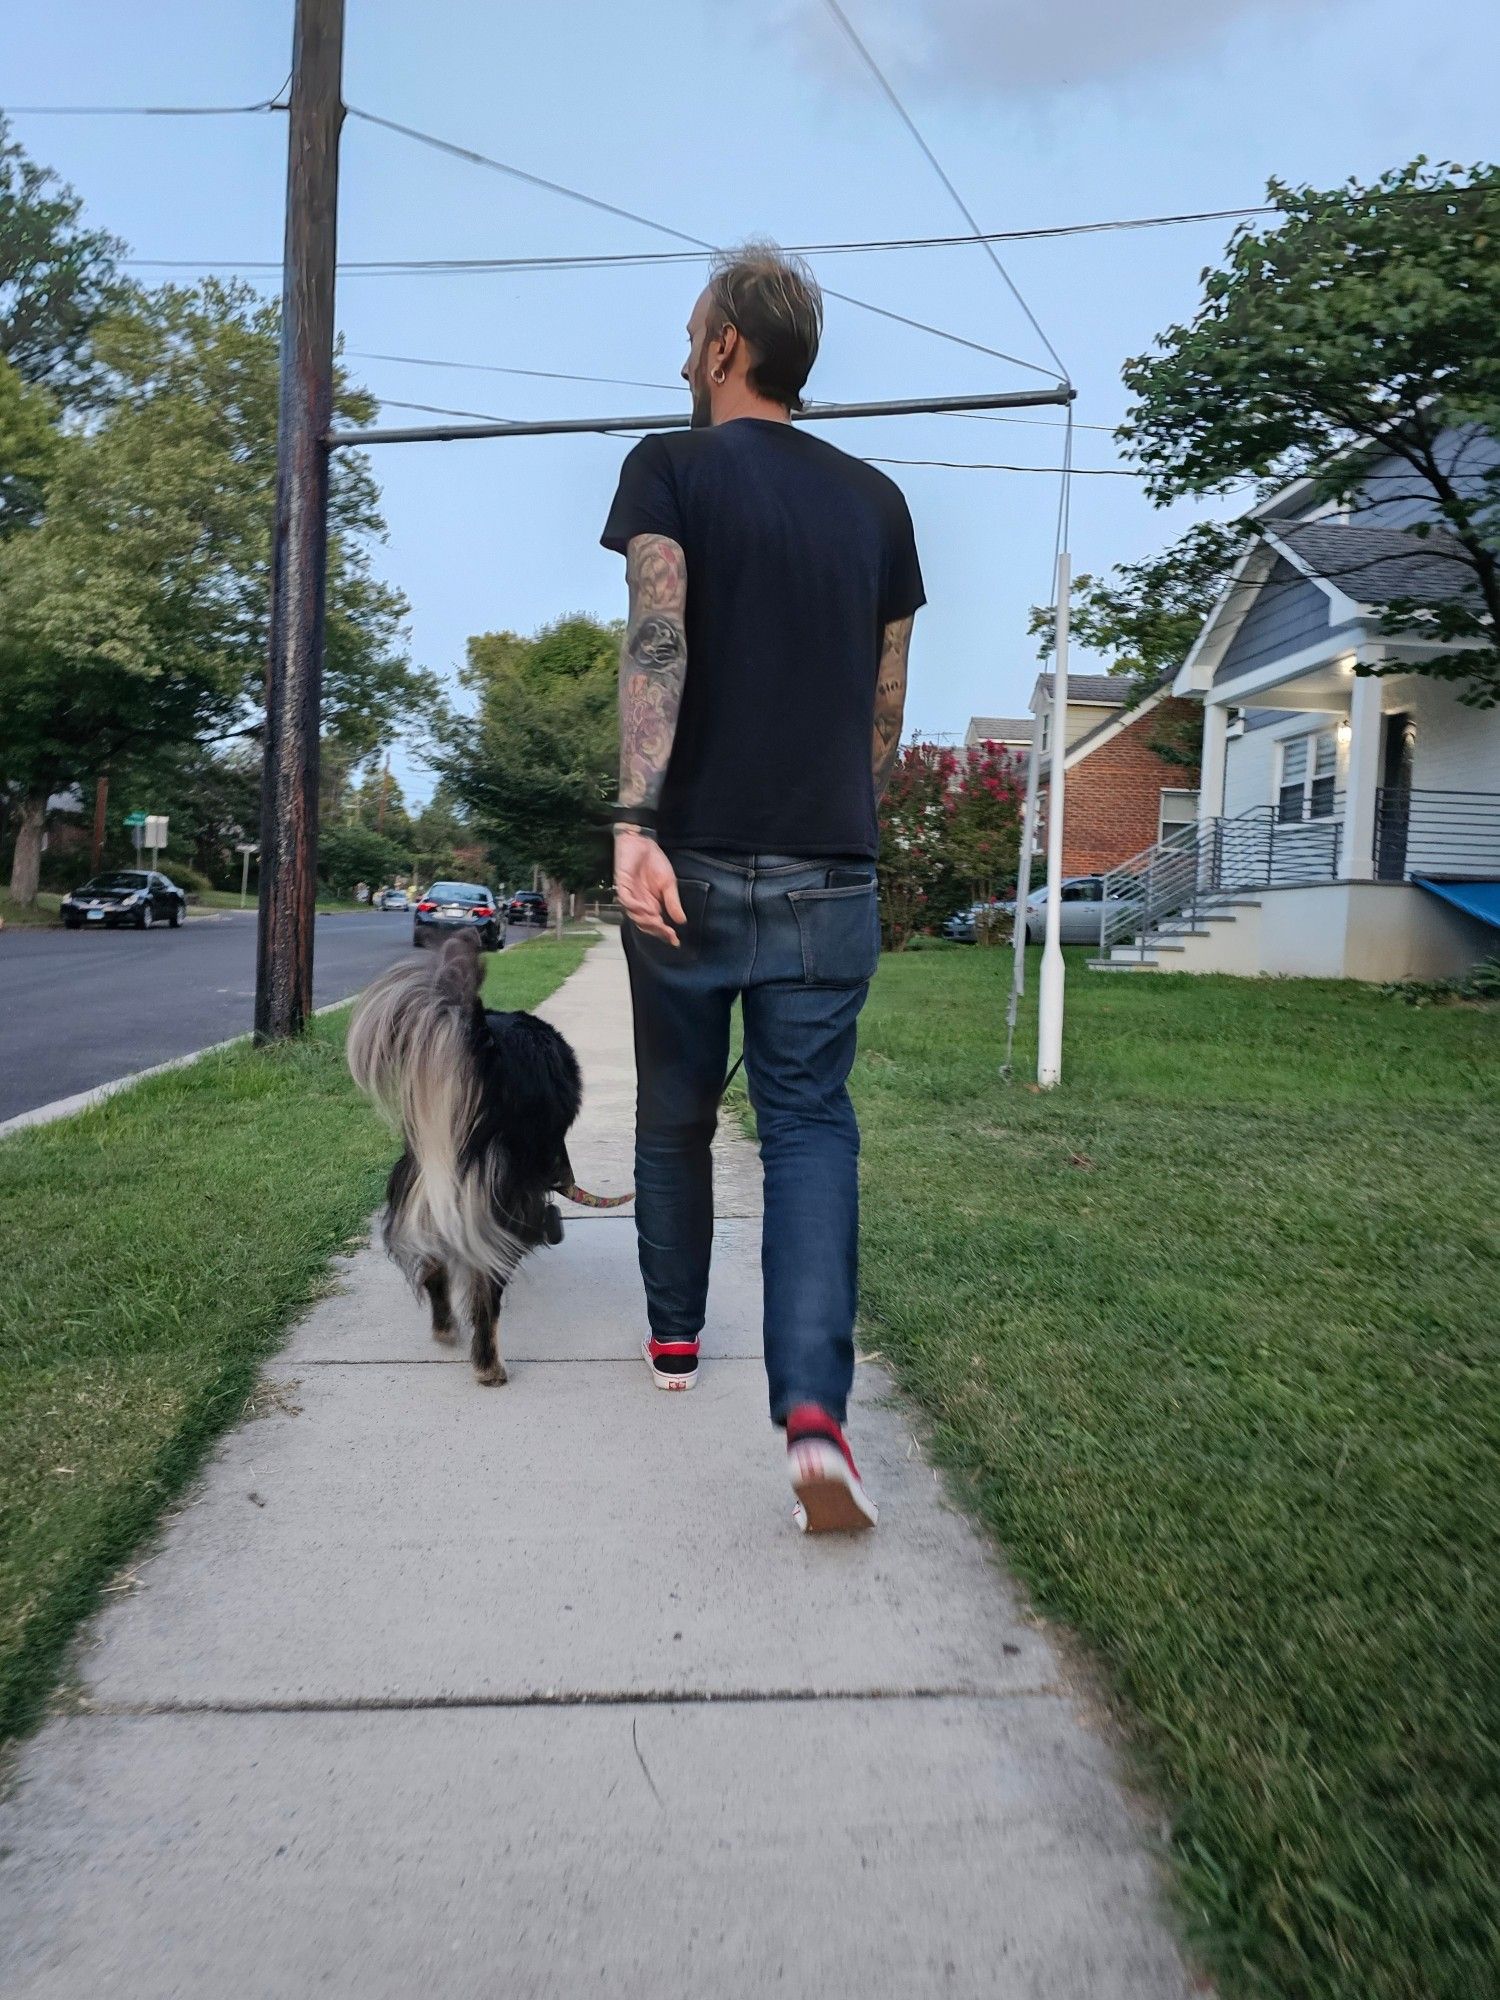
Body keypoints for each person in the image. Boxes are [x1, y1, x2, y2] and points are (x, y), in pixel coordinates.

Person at [602, 242, 923, 1533]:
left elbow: (656, 634)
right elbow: (885, 714)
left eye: (693, 334)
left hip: (687, 856)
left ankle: (675, 1340)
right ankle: (813, 1420)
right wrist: (841, 822)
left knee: (677, 1109)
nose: (683, 356)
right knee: (808, 1132)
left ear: (728, 345)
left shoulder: (668, 464)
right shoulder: (881, 503)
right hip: (827, 868)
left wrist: (634, 818)